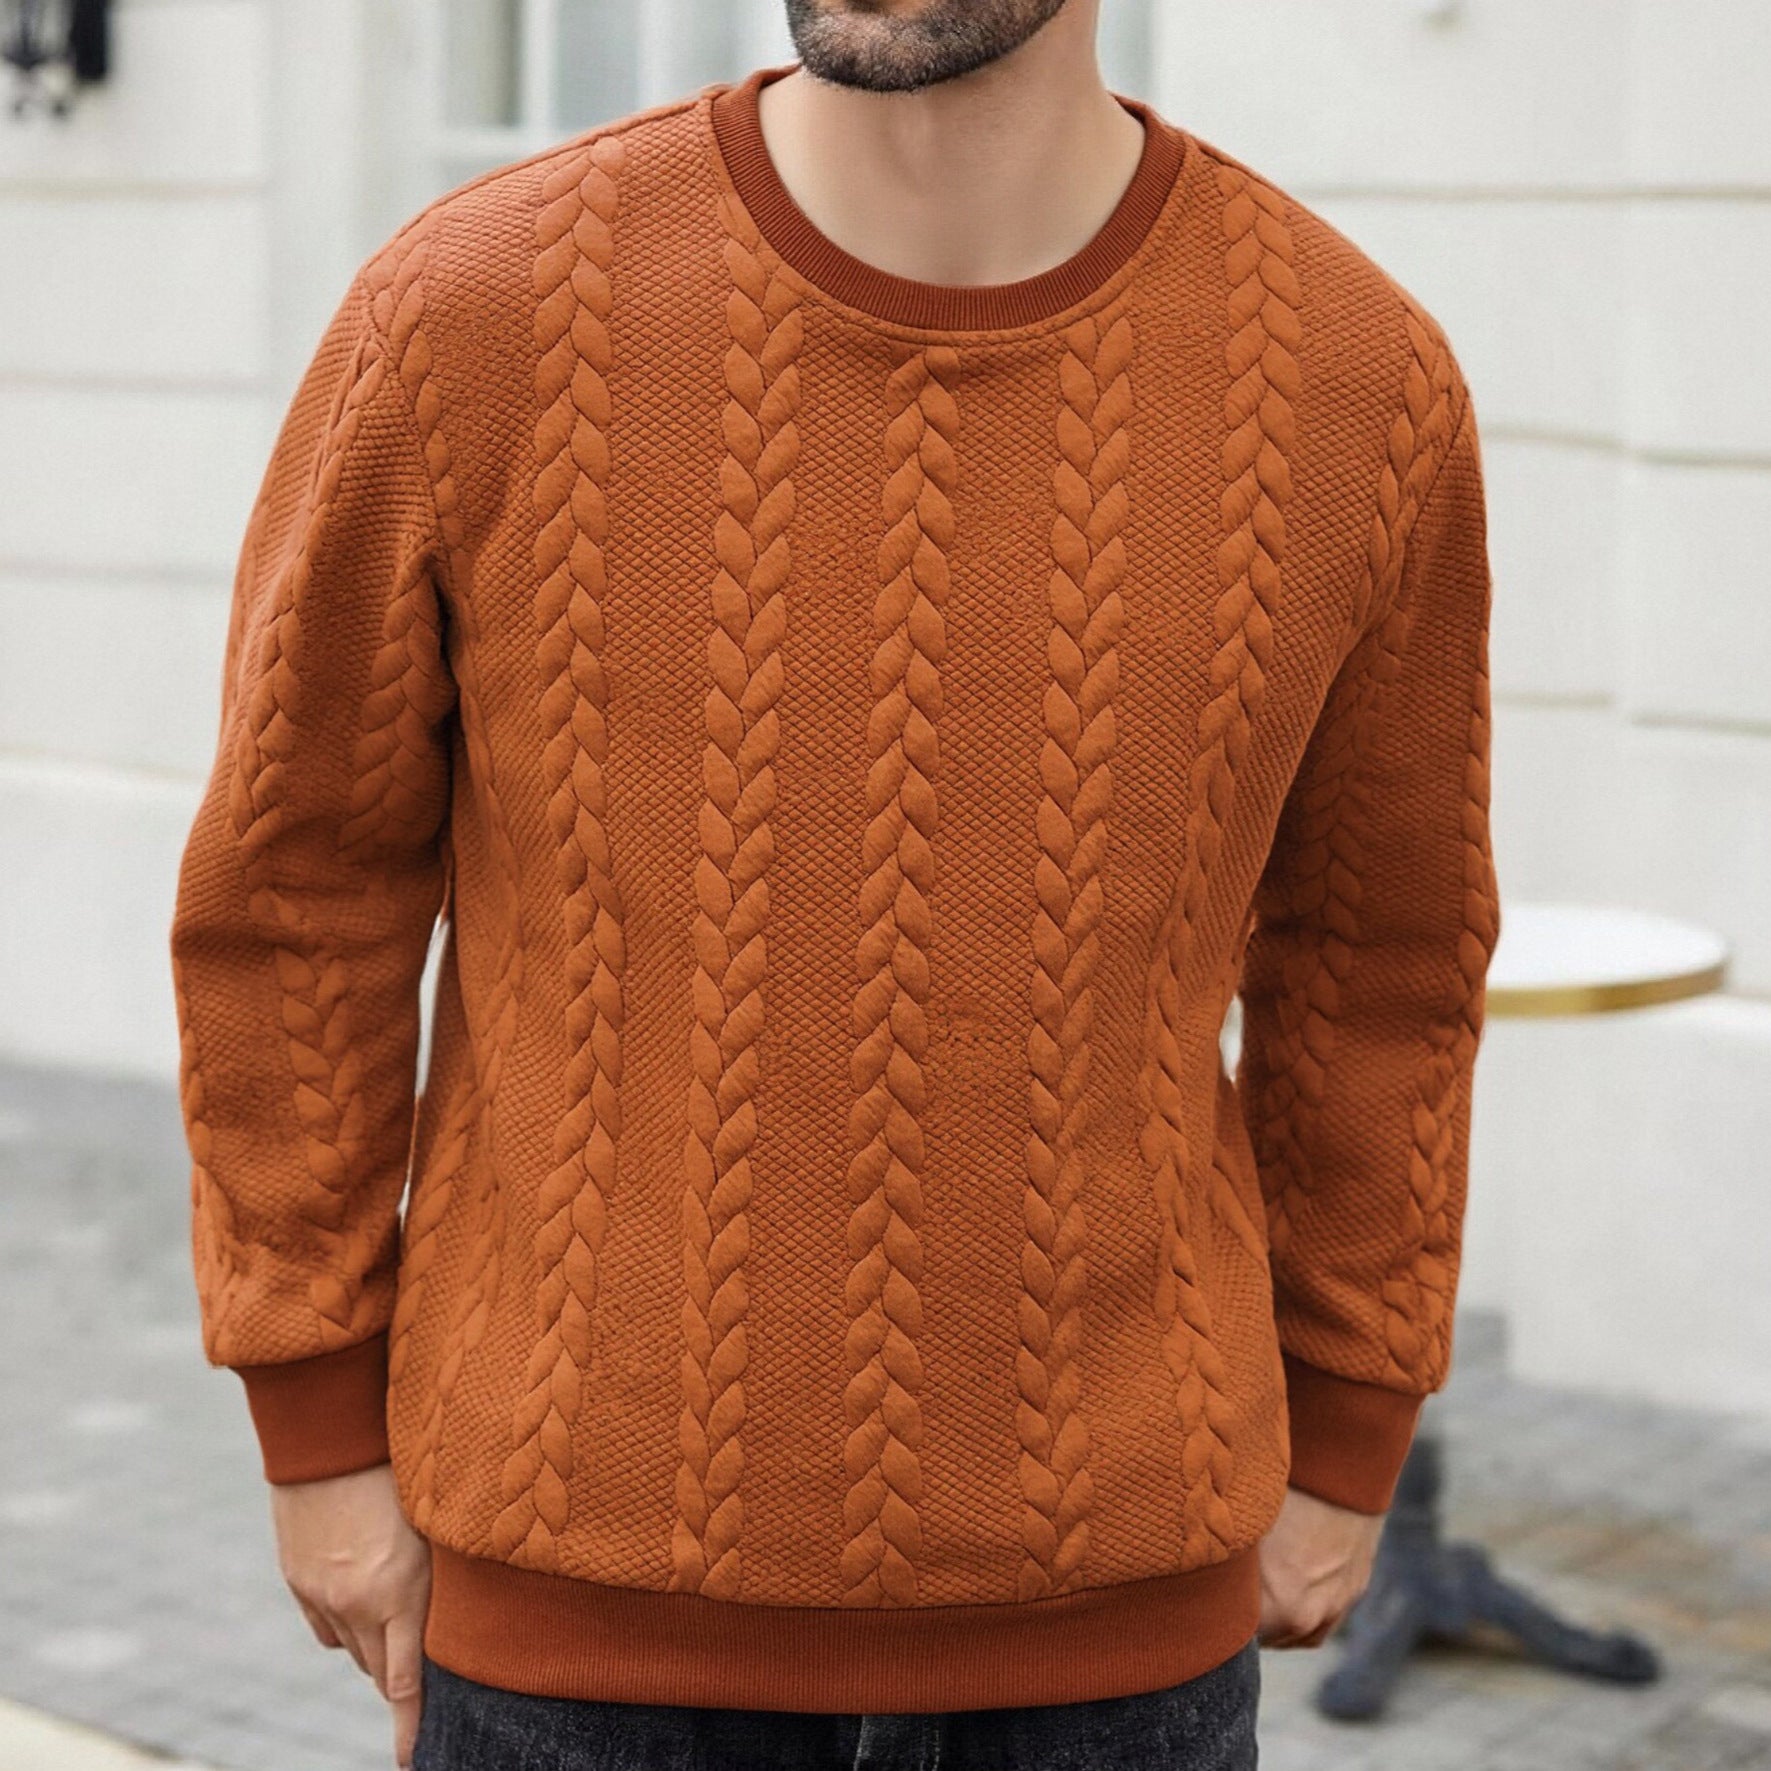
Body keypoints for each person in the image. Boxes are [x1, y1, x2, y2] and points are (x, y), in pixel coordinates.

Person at [167, 0, 1501, 1766]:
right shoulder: (470, 312)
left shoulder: (1356, 381)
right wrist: (318, 1434)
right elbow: (291, 902)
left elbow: (1384, 963)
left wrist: (1346, 1435)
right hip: (578, 1631)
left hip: (1120, 1638)